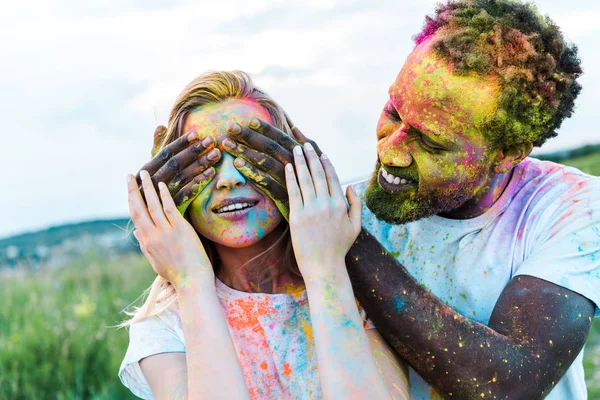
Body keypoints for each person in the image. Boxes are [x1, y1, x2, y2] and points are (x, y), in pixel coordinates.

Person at [200, 1, 598, 398]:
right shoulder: (334, 214)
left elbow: (509, 387)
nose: (391, 151)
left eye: (430, 141)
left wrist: (346, 241)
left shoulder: (569, 209)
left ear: (508, 152)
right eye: (393, 112)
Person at [118, 71, 410, 400]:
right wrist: (191, 282)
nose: (228, 179)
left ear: (294, 161)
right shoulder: (164, 327)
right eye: (206, 161)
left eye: (247, 153)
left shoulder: (359, 287)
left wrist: (324, 268)